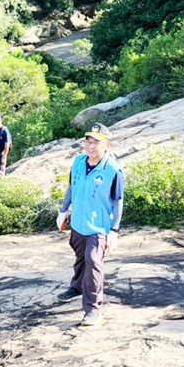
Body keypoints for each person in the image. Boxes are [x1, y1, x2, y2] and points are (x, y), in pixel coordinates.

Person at [55, 122, 125, 327]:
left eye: (96, 142)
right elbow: (72, 187)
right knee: (81, 258)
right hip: (78, 223)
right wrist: (63, 210)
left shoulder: (113, 170)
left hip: (99, 227)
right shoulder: (78, 162)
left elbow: (118, 201)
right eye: (88, 141)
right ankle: (76, 286)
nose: (91, 146)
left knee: (93, 262)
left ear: (107, 145)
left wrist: (114, 230)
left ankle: (93, 309)